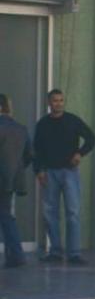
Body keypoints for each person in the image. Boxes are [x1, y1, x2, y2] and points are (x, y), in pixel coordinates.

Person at [34, 89, 95, 265]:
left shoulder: (73, 120)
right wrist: (39, 171)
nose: (58, 103)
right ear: (49, 103)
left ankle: (74, 253)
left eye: (61, 100)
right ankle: (55, 252)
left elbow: (91, 138)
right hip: (49, 173)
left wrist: (80, 153)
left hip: (70, 172)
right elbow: (36, 150)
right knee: (50, 213)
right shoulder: (43, 124)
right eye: (55, 100)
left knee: (73, 213)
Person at [0, 94, 31, 268]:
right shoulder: (21, 129)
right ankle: (16, 255)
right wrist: (15, 171)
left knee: (5, 217)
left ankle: (16, 256)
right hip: (10, 182)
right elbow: (29, 155)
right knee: (6, 217)